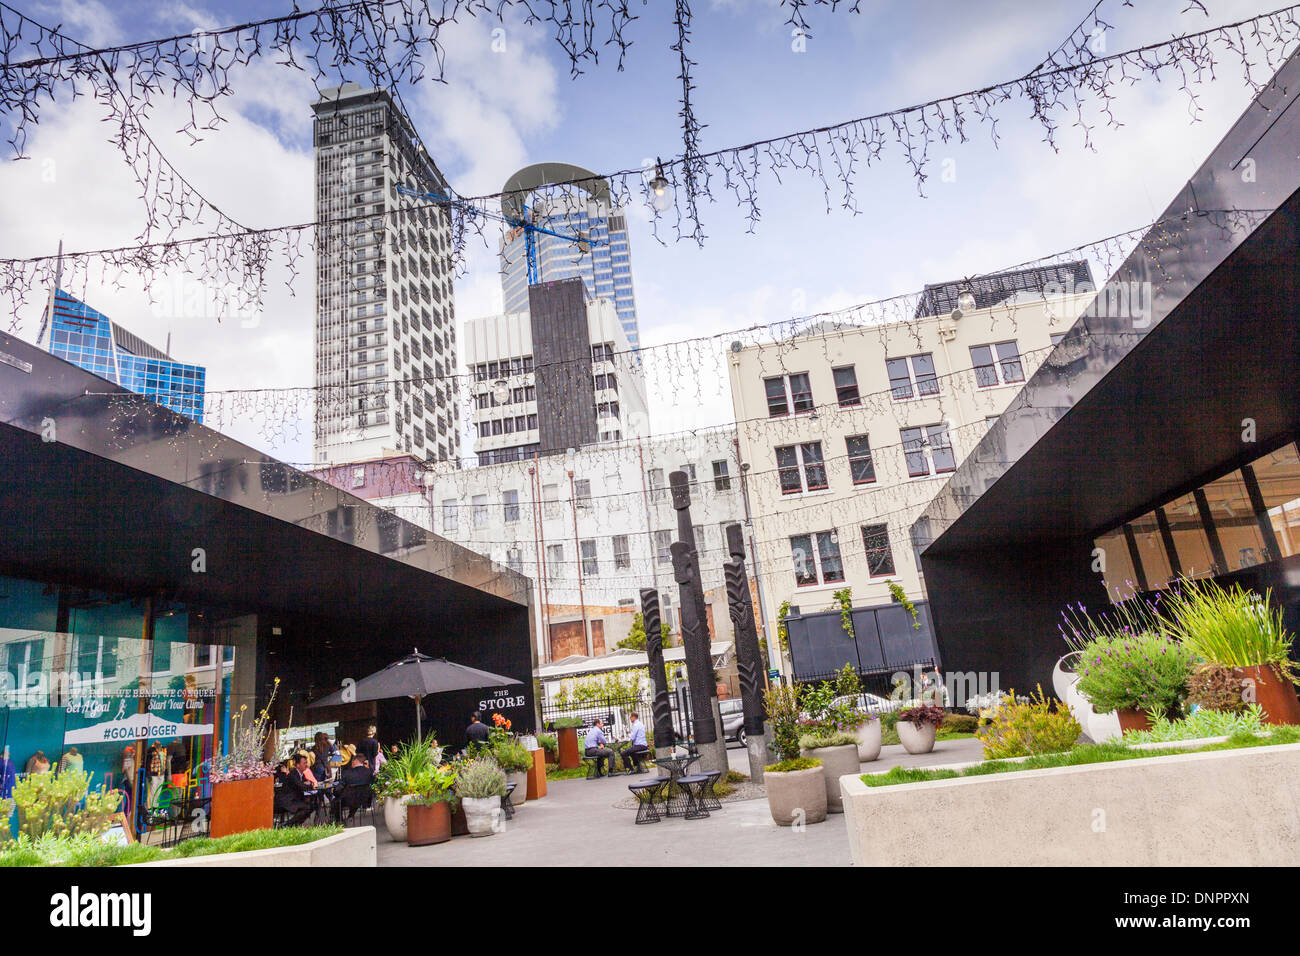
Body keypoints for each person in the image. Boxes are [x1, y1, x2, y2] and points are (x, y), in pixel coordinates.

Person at [275, 754, 314, 826]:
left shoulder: (301, 774)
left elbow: (309, 783)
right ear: (298, 765)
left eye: (306, 762)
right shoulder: (293, 774)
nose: (306, 765)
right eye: (304, 763)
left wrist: (309, 784)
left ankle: (294, 824)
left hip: (294, 799)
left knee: (312, 805)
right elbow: (301, 785)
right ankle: (288, 825)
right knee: (307, 807)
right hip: (287, 801)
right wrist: (307, 785)